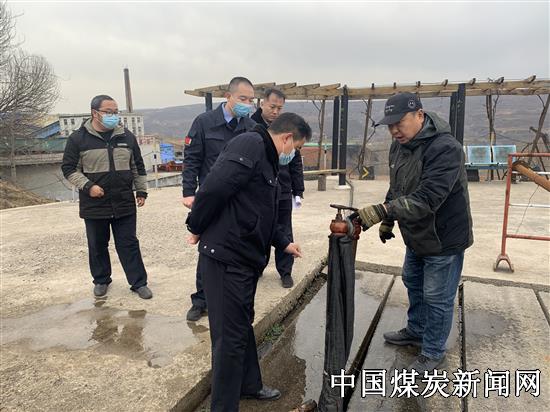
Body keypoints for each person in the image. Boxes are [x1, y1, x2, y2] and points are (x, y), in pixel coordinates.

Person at [185, 113, 312, 411]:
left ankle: (249, 385)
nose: (294, 155)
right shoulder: (250, 145)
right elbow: (214, 188)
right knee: (229, 339)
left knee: (240, 327)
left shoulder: (267, 158)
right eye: (297, 148)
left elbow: (261, 212)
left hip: (244, 258)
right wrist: (195, 225)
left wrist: (283, 242)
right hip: (226, 258)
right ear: (287, 138)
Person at [351, 92, 473, 374]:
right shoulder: (400, 145)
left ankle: (433, 352)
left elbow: (428, 199)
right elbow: (397, 187)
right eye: (390, 125)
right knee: (413, 281)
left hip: (443, 236)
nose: (394, 130)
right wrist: (388, 220)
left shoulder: (445, 148)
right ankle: (416, 331)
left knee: (437, 296)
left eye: (399, 123)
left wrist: (383, 211)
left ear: (420, 115)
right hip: (416, 233)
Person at [61, 95, 152, 299]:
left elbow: (138, 167)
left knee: (129, 244)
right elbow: (69, 169)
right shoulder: (78, 139)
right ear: (95, 113)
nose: (113, 116)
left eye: (116, 112)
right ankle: (101, 280)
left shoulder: (126, 137)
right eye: (108, 112)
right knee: (97, 245)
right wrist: (88, 186)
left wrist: (141, 191)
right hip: (94, 203)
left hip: (123, 201)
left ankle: (139, 283)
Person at [182, 77, 257, 321]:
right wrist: (188, 192)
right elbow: (192, 158)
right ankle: (201, 300)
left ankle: (230, 297)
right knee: (208, 248)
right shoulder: (205, 122)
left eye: (251, 100)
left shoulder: (251, 127)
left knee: (237, 246)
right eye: (242, 98)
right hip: (212, 198)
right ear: (228, 97)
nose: (247, 104)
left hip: (240, 200)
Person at [251, 88, 305, 288]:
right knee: (260, 229)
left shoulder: (286, 127)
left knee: (284, 229)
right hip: (259, 190)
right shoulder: (251, 126)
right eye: (272, 106)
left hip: (282, 188)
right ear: (262, 103)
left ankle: (285, 271)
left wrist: (298, 191)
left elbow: (295, 161)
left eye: (279, 108)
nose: (275, 111)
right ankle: (257, 266)